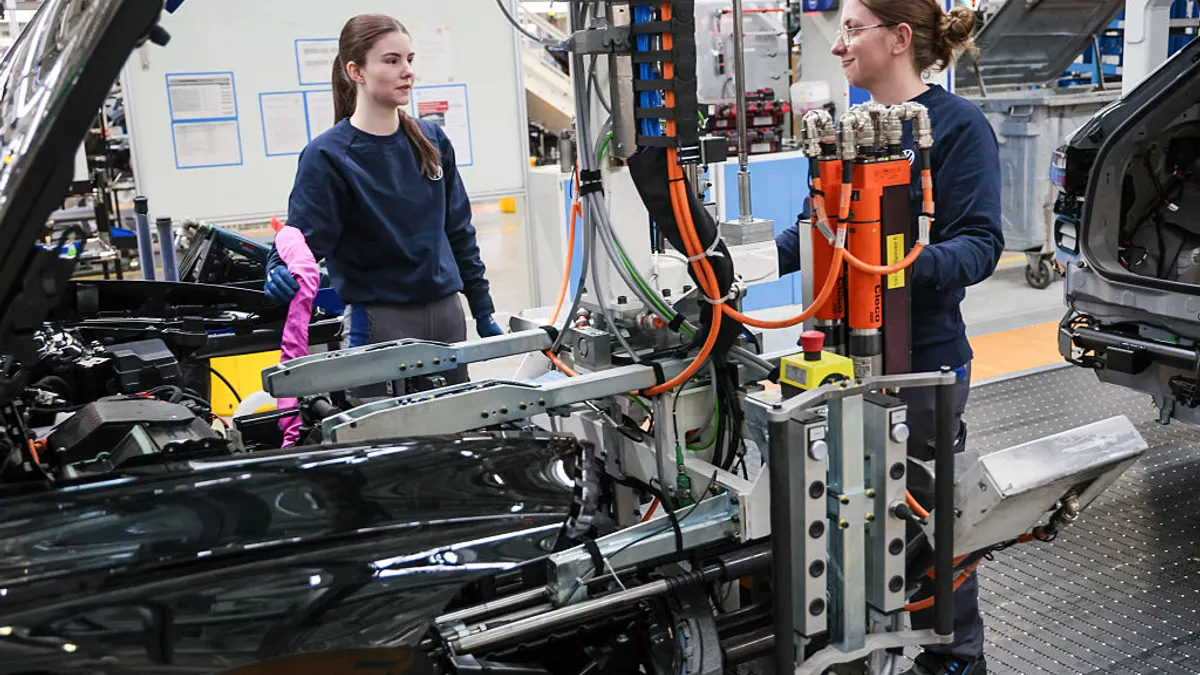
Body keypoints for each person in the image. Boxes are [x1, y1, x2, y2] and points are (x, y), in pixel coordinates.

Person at [775, 1, 1003, 674]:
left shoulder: (959, 129)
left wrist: (892, 261)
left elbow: (981, 243)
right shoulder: (844, 135)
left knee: (928, 542)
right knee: (844, 540)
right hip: (839, 366)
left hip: (923, 367)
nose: (839, 45)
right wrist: (736, 261)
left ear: (900, 39)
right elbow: (814, 229)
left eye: (851, 28)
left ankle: (956, 662)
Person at [263, 13, 501, 396]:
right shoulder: (328, 156)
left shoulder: (431, 140)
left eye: (409, 59)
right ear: (356, 71)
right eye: (391, 61)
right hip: (378, 323)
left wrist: (482, 307)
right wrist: (278, 267)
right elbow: (304, 238)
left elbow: (458, 230)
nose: (407, 71)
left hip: (447, 317)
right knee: (383, 442)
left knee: (453, 437)